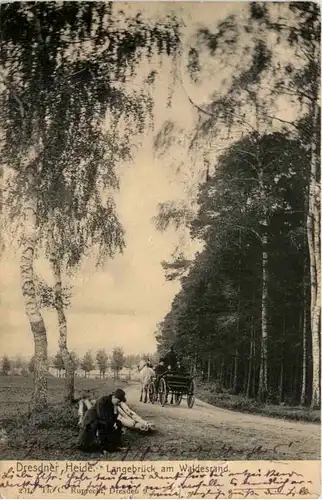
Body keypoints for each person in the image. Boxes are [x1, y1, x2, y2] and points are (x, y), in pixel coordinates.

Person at [77, 388, 126, 453]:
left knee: (118, 423)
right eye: (118, 401)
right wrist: (111, 423)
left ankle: (116, 444)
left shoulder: (114, 404)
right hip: (91, 419)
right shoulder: (103, 400)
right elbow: (102, 416)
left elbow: (114, 416)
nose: (119, 403)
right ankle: (104, 448)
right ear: (114, 397)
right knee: (105, 424)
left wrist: (115, 421)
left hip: (101, 419)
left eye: (120, 402)